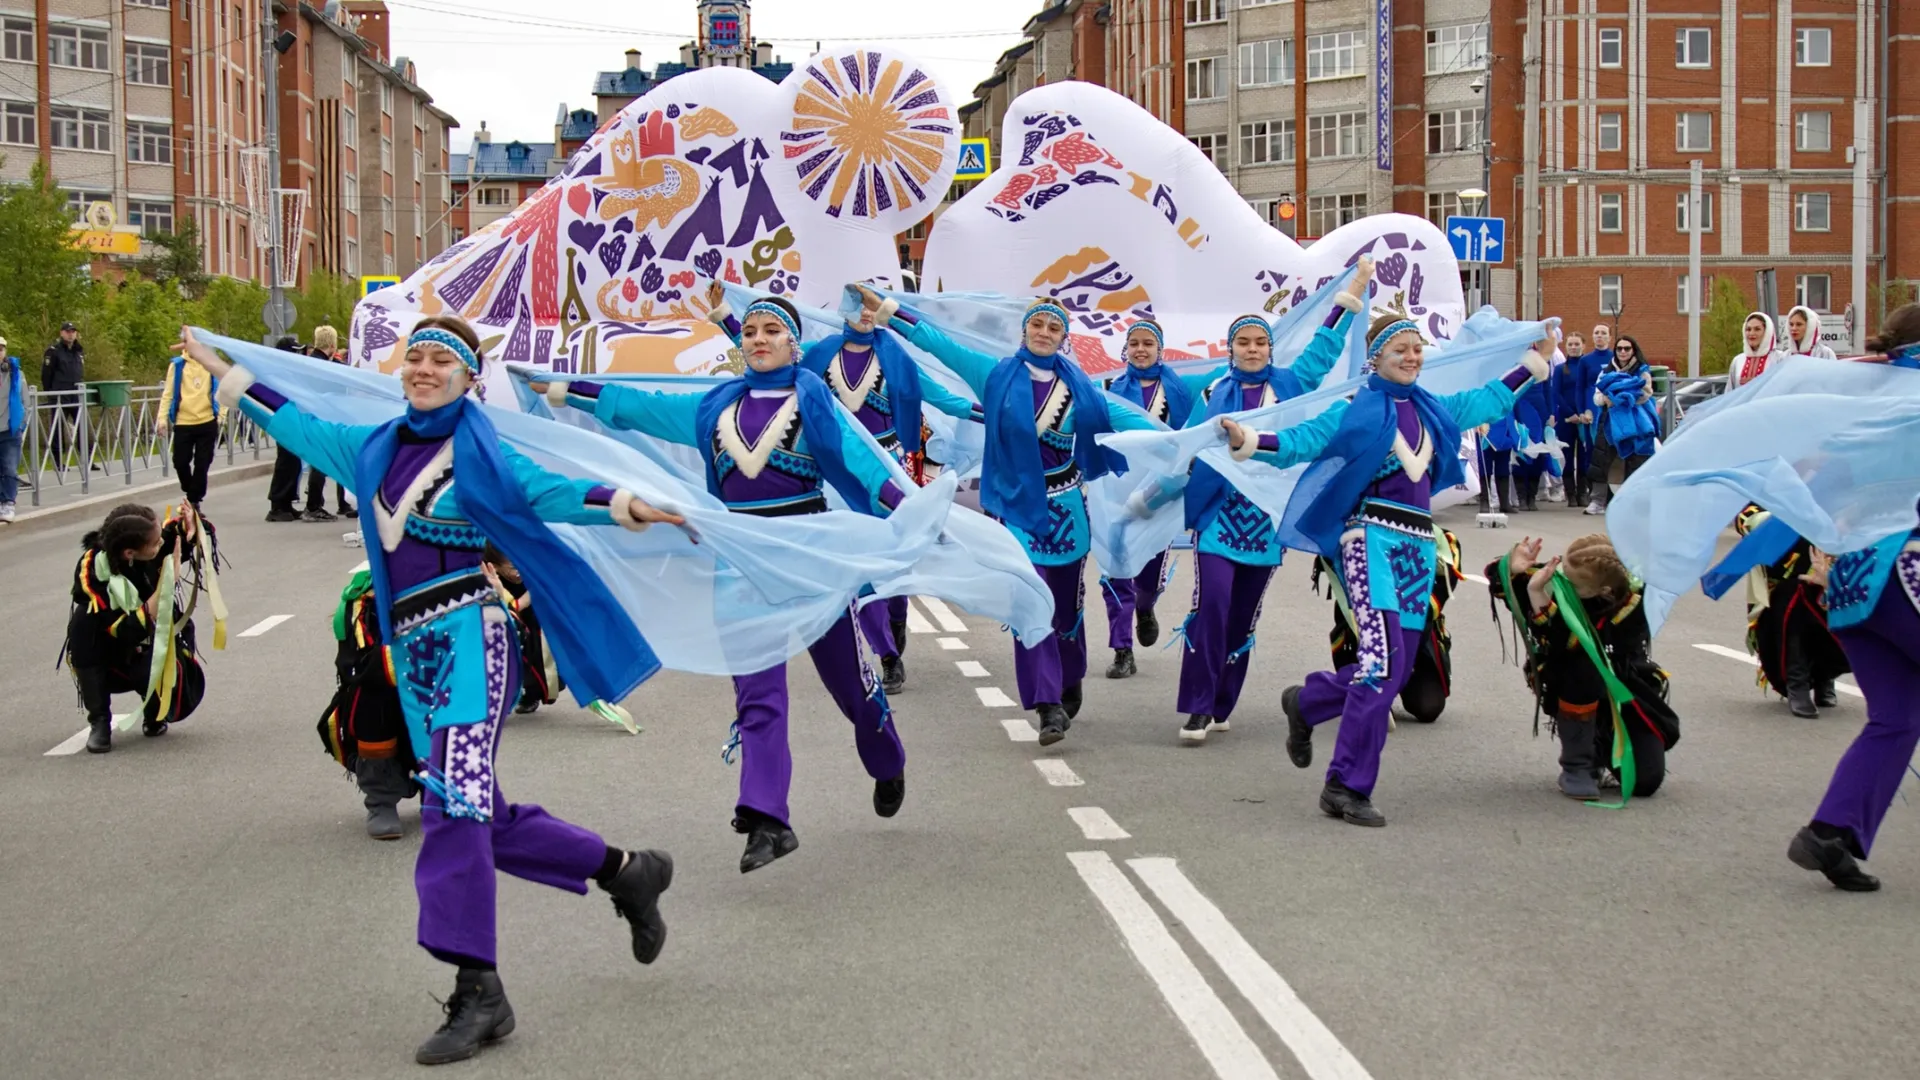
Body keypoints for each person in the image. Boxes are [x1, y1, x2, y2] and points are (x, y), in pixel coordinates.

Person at [179, 314, 680, 1064]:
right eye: (413, 356)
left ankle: (480, 988)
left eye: (440, 360)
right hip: (411, 655)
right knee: (482, 812)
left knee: (454, 806)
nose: (422, 368)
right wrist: (224, 369)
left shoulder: (484, 457)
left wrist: (624, 504)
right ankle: (626, 871)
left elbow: (552, 490)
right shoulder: (369, 448)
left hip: (474, 644)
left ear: (469, 378)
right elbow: (294, 421)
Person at [536, 295, 916, 874]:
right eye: (753, 331)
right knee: (758, 696)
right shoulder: (714, 407)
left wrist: (912, 513)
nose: (759, 339)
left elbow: (865, 468)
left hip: (804, 558)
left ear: (794, 343)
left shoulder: (816, 402)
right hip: (739, 561)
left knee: (852, 687)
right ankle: (767, 820)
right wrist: (562, 388)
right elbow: (641, 406)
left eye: (773, 331)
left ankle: (886, 760)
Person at [1232, 312, 1549, 826]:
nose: (1411, 356)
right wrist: (1250, 440)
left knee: (1398, 667)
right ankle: (1345, 785)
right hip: (1369, 541)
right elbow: (1302, 441)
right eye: (1399, 348)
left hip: (1418, 547)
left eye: (1417, 349)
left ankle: (1309, 702)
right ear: (1375, 357)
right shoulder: (1354, 410)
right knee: (1380, 666)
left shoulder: (1432, 410)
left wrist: (1534, 362)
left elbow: (1488, 399)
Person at [859, 287, 1165, 745]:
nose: (1044, 332)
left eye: (1054, 328)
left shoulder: (1081, 389)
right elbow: (940, 344)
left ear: (1063, 338)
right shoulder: (996, 374)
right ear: (1025, 330)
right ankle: (1047, 705)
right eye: (1038, 325)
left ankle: (1068, 675)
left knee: (1066, 605)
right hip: (1019, 510)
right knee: (1028, 599)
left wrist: (1186, 445)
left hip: (1067, 509)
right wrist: (889, 311)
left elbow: (1132, 419)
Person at [1171, 281, 1365, 745]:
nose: (1252, 349)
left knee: (1242, 617)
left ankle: (1222, 703)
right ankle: (1197, 707)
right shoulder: (1213, 391)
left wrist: (1350, 297)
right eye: (1244, 342)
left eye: (1260, 342)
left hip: (1265, 522)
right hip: (1219, 516)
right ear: (1231, 349)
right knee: (1211, 606)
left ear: (1269, 348)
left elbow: (1322, 350)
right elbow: (1184, 443)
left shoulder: (1290, 387)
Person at [1785, 305, 1920, 892]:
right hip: (1906, 576)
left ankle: (1830, 833)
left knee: (1896, 719)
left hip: (1855, 586)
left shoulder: (1864, 414)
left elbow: (1818, 485)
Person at [790, 290, 980, 694]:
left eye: (871, 307)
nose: (864, 314)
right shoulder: (818, 353)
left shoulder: (896, 357)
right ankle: (887, 653)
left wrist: (988, 412)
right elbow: (772, 350)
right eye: (856, 305)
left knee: (894, 559)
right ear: (842, 309)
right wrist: (724, 318)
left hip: (889, 467)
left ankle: (896, 616)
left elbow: (940, 397)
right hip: (839, 472)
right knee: (858, 563)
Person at [1486, 536, 1678, 800]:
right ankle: (1577, 765)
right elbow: (1502, 580)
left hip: (1623, 685)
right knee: (1582, 667)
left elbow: (1589, 641)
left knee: (1646, 781)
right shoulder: (1558, 579)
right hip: (1573, 680)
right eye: (1563, 572)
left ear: (1605, 592)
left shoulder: (1635, 606)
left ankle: (1603, 746)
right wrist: (1518, 573)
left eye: (1573, 584)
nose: (1562, 581)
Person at [1099, 319, 1220, 679]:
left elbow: (1225, 378)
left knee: (1147, 572)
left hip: (1160, 494)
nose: (1140, 349)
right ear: (1126, 349)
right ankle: (1122, 650)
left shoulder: (1183, 387)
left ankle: (1145, 605)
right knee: (1114, 569)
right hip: (1116, 492)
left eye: (1147, 343)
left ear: (1159, 349)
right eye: (1134, 343)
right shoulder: (1108, 387)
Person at [65, 503, 207, 753]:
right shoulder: (92, 570)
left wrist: (190, 528)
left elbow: (171, 539)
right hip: (111, 641)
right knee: (83, 626)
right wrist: (164, 587)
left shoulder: (147, 543)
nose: (161, 544)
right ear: (130, 553)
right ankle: (99, 720)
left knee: (161, 643)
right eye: (154, 544)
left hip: (148, 635)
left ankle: (155, 709)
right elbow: (122, 630)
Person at [1322, 526, 1464, 726]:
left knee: (1427, 707)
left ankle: (1389, 683)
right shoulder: (1353, 534)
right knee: (1367, 705)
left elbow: (1437, 597)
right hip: (1363, 633)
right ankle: (1308, 698)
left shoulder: (1442, 539)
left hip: (1417, 635)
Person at [318, 564, 418, 840]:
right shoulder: (364, 599)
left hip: (437, 678)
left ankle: (440, 793)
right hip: (383, 681)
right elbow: (356, 664)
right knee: (371, 705)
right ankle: (381, 800)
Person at [1733, 505, 1848, 718]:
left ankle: (1825, 675)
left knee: (1851, 614)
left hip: (1833, 576)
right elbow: (1745, 518)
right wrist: (1786, 519)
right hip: (1784, 584)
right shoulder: (1775, 481)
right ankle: (1798, 682)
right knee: (1794, 600)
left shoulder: (1839, 479)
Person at [1583, 334, 1656, 515]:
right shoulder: (1607, 371)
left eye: (1627, 349)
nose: (1623, 352)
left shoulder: (1642, 371)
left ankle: (1632, 502)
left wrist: (1624, 397)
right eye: (1619, 349)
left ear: (1634, 351)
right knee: (1602, 459)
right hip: (1610, 420)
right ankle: (1598, 500)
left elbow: (1645, 393)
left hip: (1635, 421)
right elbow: (1597, 395)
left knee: (1635, 460)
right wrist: (1607, 399)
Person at [156, 335, 222, 507]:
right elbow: (168, 394)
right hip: (183, 422)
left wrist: (221, 416)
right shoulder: (177, 366)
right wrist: (161, 419)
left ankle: (194, 501)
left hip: (207, 421)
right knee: (180, 461)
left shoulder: (210, 364)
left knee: (203, 462)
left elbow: (222, 391)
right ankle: (190, 489)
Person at [1555, 325, 1610, 507]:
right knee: (1568, 457)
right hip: (1567, 418)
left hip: (1587, 415)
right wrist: (1572, 413)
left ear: (1583, 345)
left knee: (1587, 455)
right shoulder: (1560, 369)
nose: (1573, 347)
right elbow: (1557, 393)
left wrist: (1583, 412)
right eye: (1570, 344)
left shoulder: (1587, 362)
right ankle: (1570, 493)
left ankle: (1583, 492)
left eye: (1576, 344)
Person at [41, 321, 85, 469]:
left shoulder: (78, 351)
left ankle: (87, 459)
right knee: (57, 430)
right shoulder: (54, 351)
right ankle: (58, 462)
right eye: (68, 331)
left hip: (76, 395)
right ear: (62, 333)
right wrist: (51, 394)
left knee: (83, 427)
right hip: (60, 395)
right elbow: (46, 375)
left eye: (73, 331)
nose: (71, 334)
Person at [1726, 311, 1780, 391]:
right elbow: (1729, 392)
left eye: (1757, 329)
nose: (1751, 333)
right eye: (1748, 329)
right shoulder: (1738, 360)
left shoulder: (1779, 358)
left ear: (1767, 332)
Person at [1, 337, 23, 522]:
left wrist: (20, 424)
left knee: (9, 467)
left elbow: (25, 400)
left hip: (9, 429)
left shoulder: (15, 373)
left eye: (1, 349)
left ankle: (8, 503)